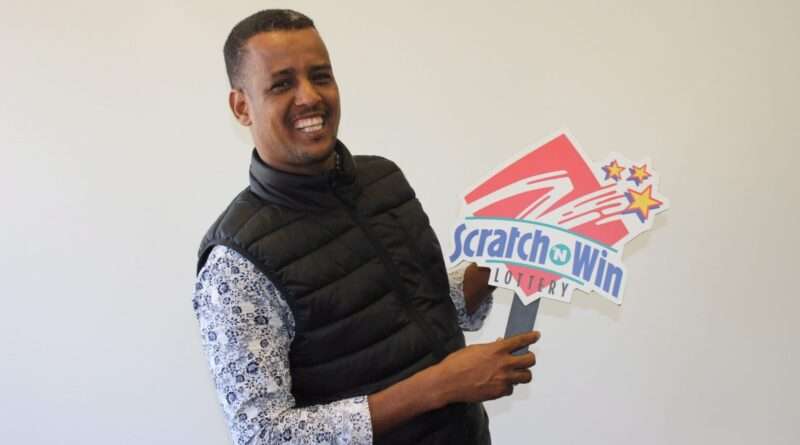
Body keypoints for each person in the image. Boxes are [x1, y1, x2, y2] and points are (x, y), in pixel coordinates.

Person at [192, 9, 540, 445]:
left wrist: (504, 261)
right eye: (282, 84)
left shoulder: (383, 182)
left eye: (320, 76)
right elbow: (264, 434)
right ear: (242, 106)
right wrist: (439, 386)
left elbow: (422, 310)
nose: (309, 96)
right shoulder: (234, 265)